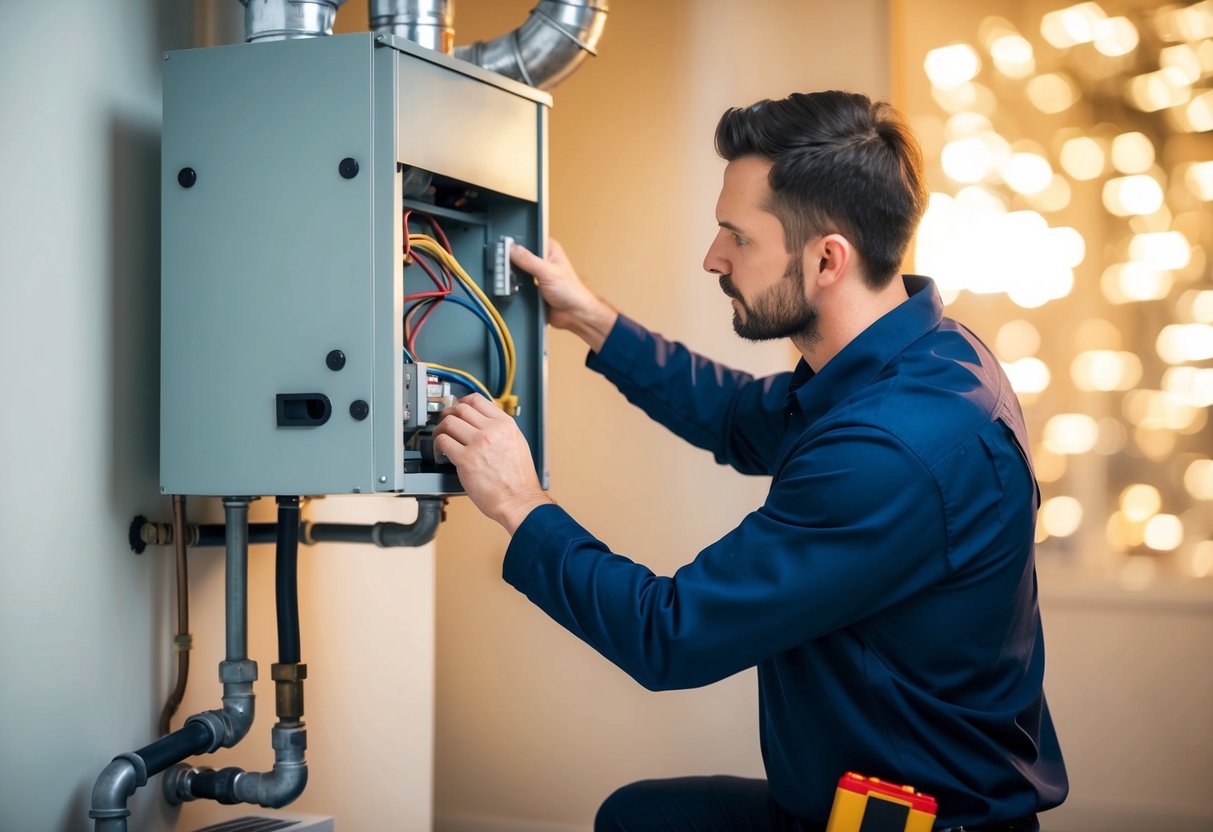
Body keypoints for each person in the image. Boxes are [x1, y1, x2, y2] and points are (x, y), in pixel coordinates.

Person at [431, 90, 1068, 832]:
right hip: (852, 802)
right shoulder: (921, 359)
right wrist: (589, 320)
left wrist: (519, 503)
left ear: (828, 258)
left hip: (912, 825)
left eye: (737, 237)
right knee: (638, 817)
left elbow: (670, 637)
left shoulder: (890, 448)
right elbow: (738, 416)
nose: (713, 258)